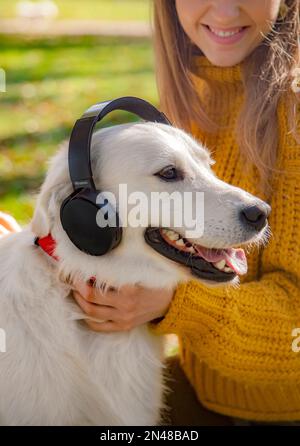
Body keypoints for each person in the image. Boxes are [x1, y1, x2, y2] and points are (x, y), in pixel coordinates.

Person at [2, 0, 300, 425]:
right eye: (169, 173)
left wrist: (171, 302)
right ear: (79, 212)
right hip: (203, 395)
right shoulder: (190, 98)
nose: (225, 8)